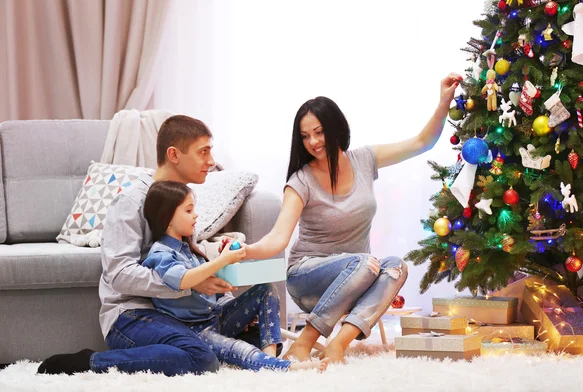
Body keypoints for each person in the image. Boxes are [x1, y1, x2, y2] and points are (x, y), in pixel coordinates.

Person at [245, 73, 462, 363]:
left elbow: (422, 142)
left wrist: (444, 102)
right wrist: (247, 251)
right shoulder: (301, 181)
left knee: (396, 267)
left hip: (359, 275)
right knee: (364, 261)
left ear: (336, 128)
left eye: (319, 132)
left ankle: (338, 345)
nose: (313, 141)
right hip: (307, 279)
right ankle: (305, 343)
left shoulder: (363, 160)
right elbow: (278, 237)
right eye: (305, 136)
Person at [38, 115, 267, 376]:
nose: (211, 161)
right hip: (133, 315)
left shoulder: (181, 200)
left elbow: (185, 261)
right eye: (203, 151)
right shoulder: (131, 202)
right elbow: (119, 274)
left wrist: (219, 291)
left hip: (179, 314)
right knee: (202, 359)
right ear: (174, 154)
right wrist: (188, 283)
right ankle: (90, 362)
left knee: (254, 336)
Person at [141, 180, 328, 372]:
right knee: (239, 350)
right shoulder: (161, 253)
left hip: (218, 315)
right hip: (194, 330)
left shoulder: (190, 249)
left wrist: (228, 270)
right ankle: (284, 367)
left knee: (266, 290)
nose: (196, 215)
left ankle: (270, 359)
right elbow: (183, 279)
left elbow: (211, 284)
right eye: (189, 211)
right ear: (168, 218)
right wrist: (221, 260)